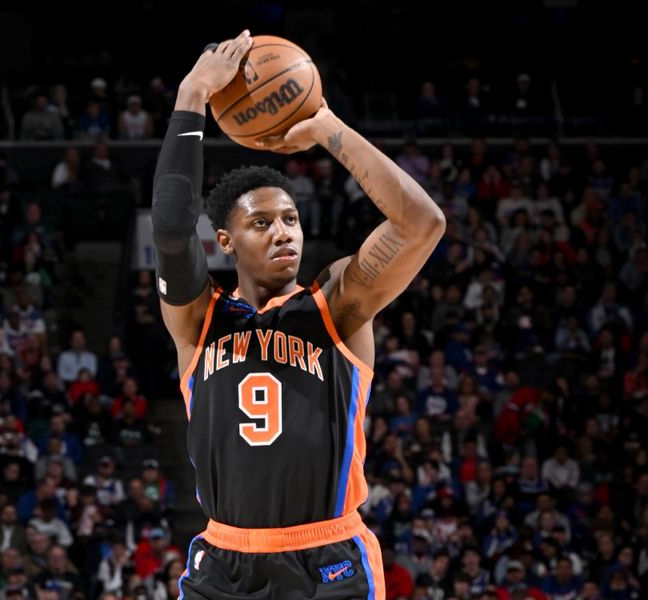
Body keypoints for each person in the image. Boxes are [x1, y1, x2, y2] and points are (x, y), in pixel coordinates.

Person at [152, 30, 445, 599]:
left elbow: (421, 224)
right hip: (224, 563)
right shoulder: (199, 321)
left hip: (327, 560)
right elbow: (168, 227)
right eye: (261, 224)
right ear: (225, 242)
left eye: (290, 219)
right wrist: (192, 95)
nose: (283, 232)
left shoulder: (335, 305)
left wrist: (329, 131)